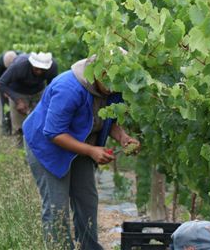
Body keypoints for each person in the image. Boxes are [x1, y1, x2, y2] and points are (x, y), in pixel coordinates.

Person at [22, 54, 140, 249]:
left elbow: (107, 119)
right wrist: (92, 151)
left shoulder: (113, 88)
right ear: (96, 73)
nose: (113, 87)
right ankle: (59, 247)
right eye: (109, 81)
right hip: (48, 146)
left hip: (82, 145)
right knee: (56, 206)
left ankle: (89, 247)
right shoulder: (68, 88)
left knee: (87, 200)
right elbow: (54, 132)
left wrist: (123, 138)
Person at [0, 52, 58, 144]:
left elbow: (52, 86)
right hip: (18, 91)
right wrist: (17, 100)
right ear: (32, 64)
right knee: (20, 125)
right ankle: (20, 146)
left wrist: (48, 102)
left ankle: (35, 145)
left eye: (43, 69)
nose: (39, 72)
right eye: (36, 69)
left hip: (38, 91)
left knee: (38, 120)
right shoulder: (19, 66)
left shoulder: (52, 67)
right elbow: (1, 83)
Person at [0, 50, 19, 135]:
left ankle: (18, 129)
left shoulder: (20, 59)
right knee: (5, 107)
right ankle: (6, 130)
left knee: (18, 105)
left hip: (16, 83)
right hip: (2, 84)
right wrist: (5, 91)